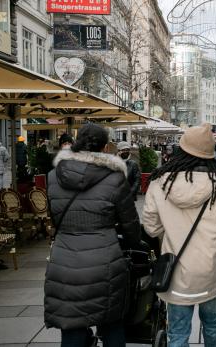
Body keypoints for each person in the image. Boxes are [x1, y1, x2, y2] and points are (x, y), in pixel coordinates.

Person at [142, 124, 216, 347]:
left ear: (181, 149)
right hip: (210, 270)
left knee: (177, 334)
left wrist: (170, 229)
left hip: (175, 270)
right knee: (213, 326)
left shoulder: (160, 183)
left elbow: (151, 228)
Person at [44, 124, 141, 346]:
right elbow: (130, 225)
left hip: (64, 259)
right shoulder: (115, 178)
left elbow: (54, 215)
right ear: (105, 147)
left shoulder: (53, 176)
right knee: (112, 324)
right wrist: (137, 244)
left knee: (72, 327)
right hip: (105, 261)